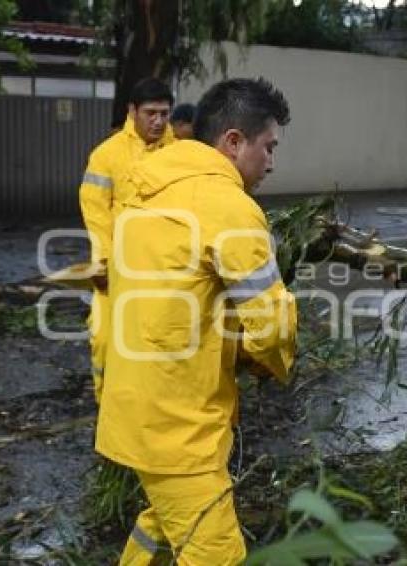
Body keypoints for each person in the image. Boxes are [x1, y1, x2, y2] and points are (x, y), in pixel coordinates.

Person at [96, 77, 296, 564]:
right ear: (232, 141)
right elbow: (270, 325)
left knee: (161, 523)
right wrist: (276, 362)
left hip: (138, 405)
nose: (271, 161)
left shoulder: (144, 192)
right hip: (179, 425)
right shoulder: (230, 208)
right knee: (216, 553)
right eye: (267, 146)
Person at [78, 77, 175, 403]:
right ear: (132, 111)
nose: (159, 121)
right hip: (118, 270)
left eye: (164, 113)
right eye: (151, 113)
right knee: (106, 340)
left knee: (159, 344)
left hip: (165, 270)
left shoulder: (180, 156)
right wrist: (102, 260)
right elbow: (95, 211)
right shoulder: (107, 155)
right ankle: (107, 407)